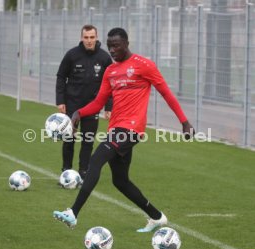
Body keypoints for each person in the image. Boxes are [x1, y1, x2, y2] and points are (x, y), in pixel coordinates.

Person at [53, 27, 195, 232]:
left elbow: (166, 93)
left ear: (127, 44)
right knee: (120, 181)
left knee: (95, 160)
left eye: (116, 46)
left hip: (132, 129)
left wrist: (184, 121)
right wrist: (78, 114)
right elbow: (99, 102)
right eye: (110, 46)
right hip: (116, 129)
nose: (112, 50)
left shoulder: (144, 65)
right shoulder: (110, 71)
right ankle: (157, 217)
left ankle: (73, 213)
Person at [55, 25, 112, 180]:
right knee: (69, 139)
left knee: (88, 141)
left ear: (96, 37)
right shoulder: (72, 55)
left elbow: (110, 84)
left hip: (93, 106)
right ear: (81, 38)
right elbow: (61, 76)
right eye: (86, 37)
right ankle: (66, 170)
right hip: (72, 105)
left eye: (92, 37)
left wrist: (108, 106)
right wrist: (60, 100)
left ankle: (83, 171)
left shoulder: (104, 58)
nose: (89, 41)